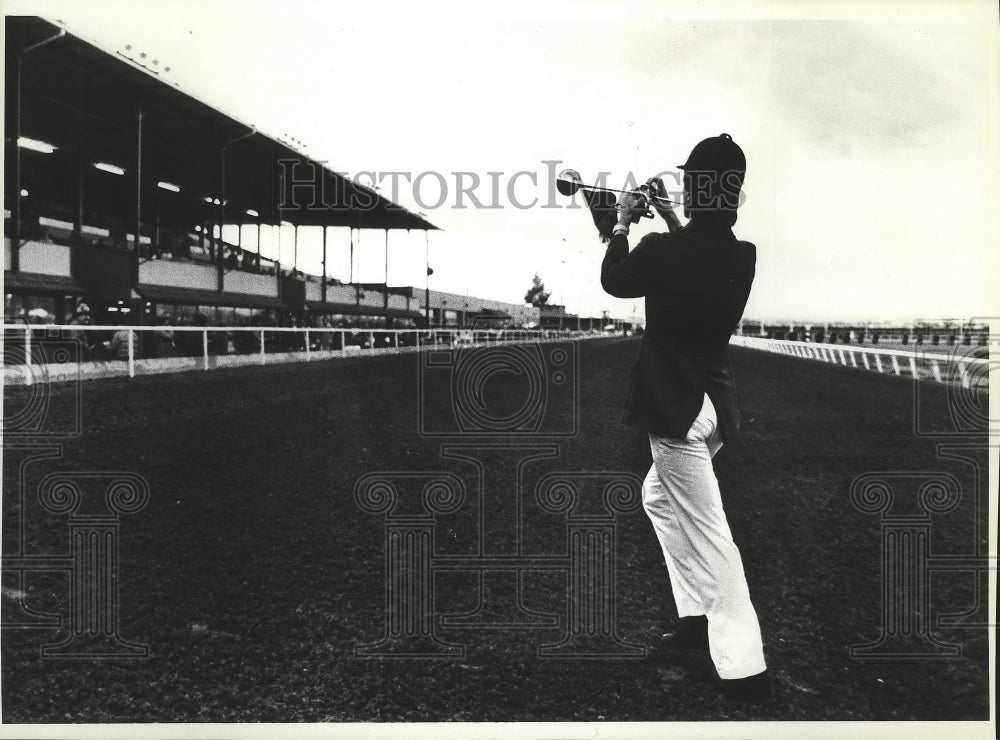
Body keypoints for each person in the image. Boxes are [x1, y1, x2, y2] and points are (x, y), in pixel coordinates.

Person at [600, 133, 771, 703]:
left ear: (694, 189)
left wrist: (621, 222)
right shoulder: (741, 255)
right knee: (656, 498)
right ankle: (696, 619)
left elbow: (614, 280)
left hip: (675, 411)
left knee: (710, 532)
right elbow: (696, 259)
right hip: (713, 410)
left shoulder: (658, 249)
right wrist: (672, 218)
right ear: (734, 195)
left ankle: (744, 664)